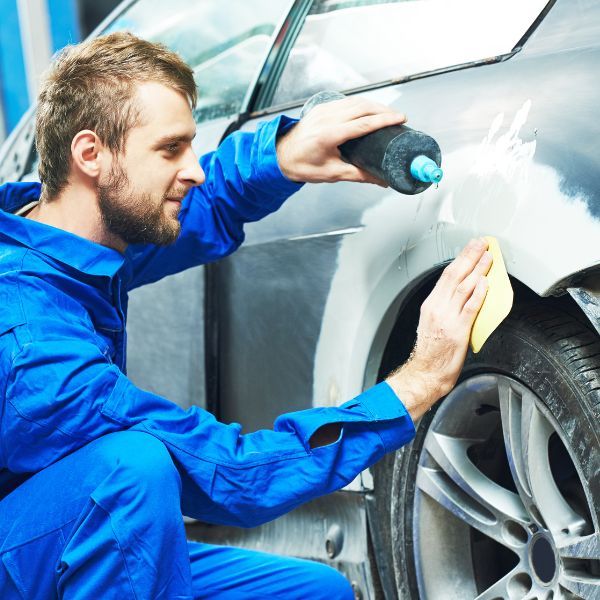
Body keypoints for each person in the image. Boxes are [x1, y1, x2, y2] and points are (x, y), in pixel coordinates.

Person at [0, 33, 491, 599]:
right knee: (131, 471)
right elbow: (228, 474)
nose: (195, 171)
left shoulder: (66, 233)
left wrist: (284, 155)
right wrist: (412, 386)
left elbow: (201, 208)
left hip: (49, 539)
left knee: (315, 593)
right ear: (91, 155)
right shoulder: (31, 339)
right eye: (170, 150)